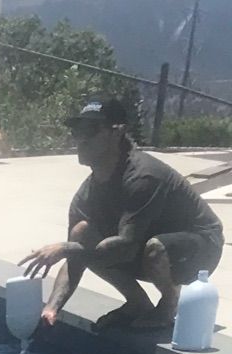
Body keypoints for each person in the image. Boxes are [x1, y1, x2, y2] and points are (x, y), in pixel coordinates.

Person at [23, 97, 224, 334]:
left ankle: (170, 303)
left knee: (153, 248)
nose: (81, 139)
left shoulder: (143, 177)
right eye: (78, 131)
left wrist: (66, 249)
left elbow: (125, 248)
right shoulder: (88, 192)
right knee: (82, 233)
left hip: (200, 248)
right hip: (145, 245)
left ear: (117, 132)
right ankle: (138, 303)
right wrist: (51, 308)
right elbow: (76, 257)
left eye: (91, 130)